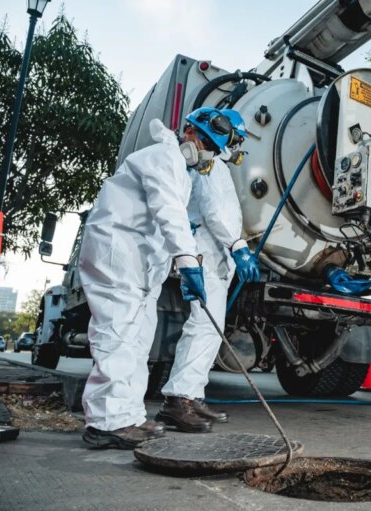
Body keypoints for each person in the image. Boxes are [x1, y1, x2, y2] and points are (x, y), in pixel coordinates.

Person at [79, 107, 237, 449]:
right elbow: (169, 211)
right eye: (206, 143)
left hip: (137, 265)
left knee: (137, 338)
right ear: (189, 133)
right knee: (119, 335)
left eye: (213, 149)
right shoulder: (163, 157)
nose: (207, 154)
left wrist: (181, 263)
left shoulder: (177, 168)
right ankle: (106, 422)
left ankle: (128, 415)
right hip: (117, 257)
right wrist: (188, 261)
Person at [156, 109, 260, 433]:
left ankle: (191, 396)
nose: (236, 144)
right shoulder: (209, 164)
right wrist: (238, 246)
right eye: (236, 138)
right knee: (202, 327)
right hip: (208, 253)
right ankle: (179, 400)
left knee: (209, 331)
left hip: (215, 257)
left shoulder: (216, 164)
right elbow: (216, 211)